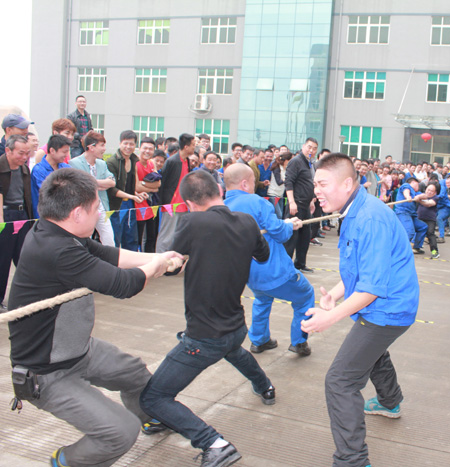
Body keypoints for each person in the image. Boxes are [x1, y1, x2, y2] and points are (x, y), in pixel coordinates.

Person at [8, 168, 181, 467]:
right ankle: (65, 461)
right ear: (77, 213)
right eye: (96, 208)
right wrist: (157, 267)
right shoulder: (57, 249)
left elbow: (110, 255)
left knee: (136, 375)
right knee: (120, 432)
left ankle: (151, 416)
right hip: (46, 372)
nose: (99, 213)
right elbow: (123, 284)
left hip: (78, 350)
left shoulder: (58, 232)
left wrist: (160, 257)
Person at [139, 170, 273, 467]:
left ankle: (214, 443)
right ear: (219, 190)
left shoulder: (192, 222)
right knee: (233, 351)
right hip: (235, 328)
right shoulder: (247, 222)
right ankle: (265, 385)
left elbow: (173, 262)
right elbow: (262, 256)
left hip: (204, 337)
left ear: (189, 203)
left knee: (153, 398)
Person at [302, 153, 419, 467]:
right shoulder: (354, 211)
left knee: (340, 381)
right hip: (387, 306)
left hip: (388, 309)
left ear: (347, 184)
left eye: (323, 184)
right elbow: (360, 270)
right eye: (315, 184)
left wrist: (330, 317)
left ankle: (352, 460)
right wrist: (335, 295)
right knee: (371, 351)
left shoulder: (369, 218)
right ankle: (390, 401)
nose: (317, 191)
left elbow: (371, 288)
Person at [223, 164, 314, 356]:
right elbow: (280, 233)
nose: (255, 185)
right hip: (275, 271)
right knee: (306, 295)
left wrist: (284, 224)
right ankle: (299, 341)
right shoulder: (257, 202)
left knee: (262, 299)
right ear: (245, 183)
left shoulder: (222, 207)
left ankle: (259, 340)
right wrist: (289, 225)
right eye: (253, 182)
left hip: (249, 273)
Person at [0, 135, 33, 311]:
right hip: (6, 215)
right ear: (8, 150)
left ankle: (25, 297)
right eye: (21, 153)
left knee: (24, 258)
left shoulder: (24, 169)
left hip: (23, 215)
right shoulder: (1, 166)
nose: (24, 157)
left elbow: (28, 196)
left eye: (27, 153)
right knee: (3, 260)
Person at [69, 131, 116, 247]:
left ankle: (111, 257)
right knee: (84, 237)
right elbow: (79, 185)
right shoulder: (74, 163)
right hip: (83, 206)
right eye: (102, 145)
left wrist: (91, 182)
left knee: (109, 237)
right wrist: (100, 184)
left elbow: (112, 182)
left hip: (100, 204)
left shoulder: (102, 164)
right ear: (91, 147)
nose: (104, 149)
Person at [106, 130, 148, 250]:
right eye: (125, 143)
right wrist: (131, 196)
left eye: (131, 144)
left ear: (135, 145)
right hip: (116, 206)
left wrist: (137, 194)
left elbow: (129, 186)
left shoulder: (134, 160)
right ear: (120, 143)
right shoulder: (112, 162)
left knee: (131, 239)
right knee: (115, 239)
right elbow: (111, 190)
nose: (128, 147)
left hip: (130, 204)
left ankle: (131, 261)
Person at [284, 137, 318, 272]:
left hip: (306, 205)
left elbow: (308, 183)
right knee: (291, 238)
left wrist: (311, 201)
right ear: (303, 146)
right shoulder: (296, 161)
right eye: (309, 147)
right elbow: (289, 182)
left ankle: (300, 264)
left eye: (314, 148)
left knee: (305, 237)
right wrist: (291, 202)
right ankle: (286, 267)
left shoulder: (310, 163)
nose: (311, 150)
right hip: (296, 204)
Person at [156, 133, 194, 253]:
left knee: (178, 235)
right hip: (171, 205)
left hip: (183, 204)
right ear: (186, 147)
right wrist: (163, 202)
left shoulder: (187, 161)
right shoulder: (172, 161)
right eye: (193, 145)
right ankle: (160, 257)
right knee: (166, 236)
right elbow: (163, 182)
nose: (194, 148)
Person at [31, 135, 72, 218]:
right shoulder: (39, 170)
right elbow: (47, 193)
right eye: (64, 152)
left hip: (64, 215)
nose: (66, 155)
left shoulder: (66, 168)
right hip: (45, 216)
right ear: (52, 150)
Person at [134, 137, 160, 252]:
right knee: (138, 237)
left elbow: (158, 184)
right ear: (139, 148)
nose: (147, 151)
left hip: (151, 204)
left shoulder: (152, 163)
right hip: (138, 204)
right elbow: (136, 187)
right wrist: (151, 187)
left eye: (150, 149)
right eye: (145, 148)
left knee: (152, 236)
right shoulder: (135, 163)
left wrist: (143, 184)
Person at [393, 176, 428, 254]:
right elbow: (406, 191)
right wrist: (408, 197)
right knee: (409, 231)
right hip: (403, 213)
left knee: (423, 227)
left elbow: (425, 196)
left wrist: (418, 196)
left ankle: (416, 247)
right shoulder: (406, 185)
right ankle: (399, 250)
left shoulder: (416, 193)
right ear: (413, 182)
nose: (418, 186)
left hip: (411, 215)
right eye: (417, 184)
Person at [417, 182, 439, 258]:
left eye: (431, 191)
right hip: (420, 218)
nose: (429, 192)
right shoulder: (421, 195)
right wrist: (419, 197)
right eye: (428, 189)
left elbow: (429, 204)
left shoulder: (435, 198)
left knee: (430, 234)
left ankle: (434, 252)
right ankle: (416, 248)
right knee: (416, 232)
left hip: (430, 220)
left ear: (435, 193)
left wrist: (419, 200)